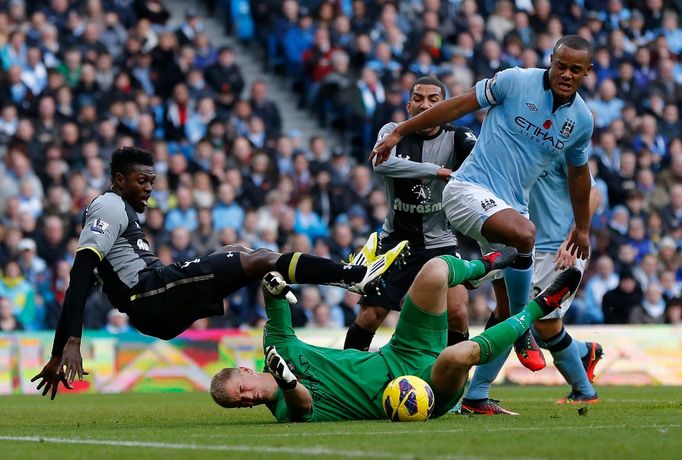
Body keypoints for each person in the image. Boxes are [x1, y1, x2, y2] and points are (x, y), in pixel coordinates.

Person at [31, 146, 408, 400]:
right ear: (118, 180)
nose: (148, 189)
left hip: (153, 304)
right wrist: (71, 342)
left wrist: (55, 352)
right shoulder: (110, 206)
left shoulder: (119, 210)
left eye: (152, 182)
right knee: (259, 257)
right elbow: (78, 278)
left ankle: (290, 280)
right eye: (141, 181)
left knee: (237, 252)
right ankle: (351, 275)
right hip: (151, 294)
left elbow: (83, 281)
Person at [371, 35, 594, 371]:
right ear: (551, 60)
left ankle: (474, 395)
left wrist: (583, 227)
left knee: (502, 310)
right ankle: (522, 329)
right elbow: (458, 105)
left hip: (510, 207)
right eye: (561, 65)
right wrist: (400, 131)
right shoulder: (514, 80)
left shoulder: (581, 120)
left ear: (586, 73)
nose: (566, 74)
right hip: (468, 189)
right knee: (525, 234)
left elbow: (579, 176)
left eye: (575, 70)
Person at [210, 252, 584, 422]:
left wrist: (273, 283)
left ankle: (477, 269)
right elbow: (303, 405)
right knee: (458, 356)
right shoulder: (283, 409)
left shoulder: (276, 345)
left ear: (244, 371)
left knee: (435, 270)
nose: (248, 400)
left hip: (400, 353)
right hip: (422, 392)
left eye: (240, 392)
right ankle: (538, 308)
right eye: (241, 405)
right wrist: (288, 381)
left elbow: (272, 293)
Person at [461, 155, 603, 415]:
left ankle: (584, 390)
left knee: (532, 321)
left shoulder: (559, 148)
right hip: (522, 246)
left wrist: (576, 232)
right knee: (520, 319)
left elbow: (593, 193)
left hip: (560, 249)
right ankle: (583, 354)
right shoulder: (513, 148)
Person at [344, 76, 477, 352]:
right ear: (408, 105)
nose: (424, 104)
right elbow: (381, 164)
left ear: (446, 106)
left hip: (441, 242)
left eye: (433, 99)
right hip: (397, 243)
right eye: (418, 98)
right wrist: (435, 170)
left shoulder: (459, 137)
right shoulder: (392, 131)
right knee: (370, 316)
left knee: (458, 314)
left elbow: (480, 161)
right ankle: (346, 382)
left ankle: (454, 389)